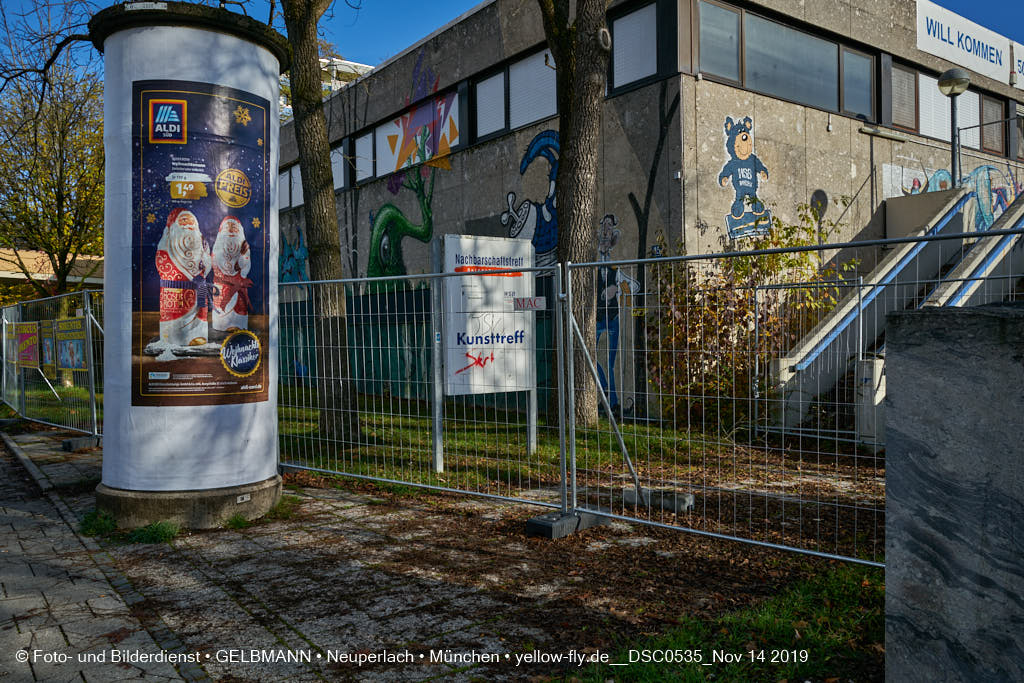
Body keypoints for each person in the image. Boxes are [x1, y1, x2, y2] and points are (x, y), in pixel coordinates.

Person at [156, 208, 212, 346]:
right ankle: (174, 339)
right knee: (176, 319)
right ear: (174, 224)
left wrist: (203, 267)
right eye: (184, 220)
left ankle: (197, 336)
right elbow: (162, 262)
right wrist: (186, 277)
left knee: (199, 313)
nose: (189, 223)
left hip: (198, 290)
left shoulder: (202, 242)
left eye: (192, 220)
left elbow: (208, 262)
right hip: (176, 292)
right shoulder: (166, 242)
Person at [210, 216, 253, 333]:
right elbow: (214, 264)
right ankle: (221, 325)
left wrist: (243, 257)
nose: (230, 230)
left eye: (234, 227)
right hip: (221, 286)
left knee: (240, 307)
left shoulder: (244, 247)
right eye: (227, 227)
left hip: (238, 285)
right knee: (221, 309)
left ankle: (238, 324)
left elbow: (245, 266)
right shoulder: (217, 248)